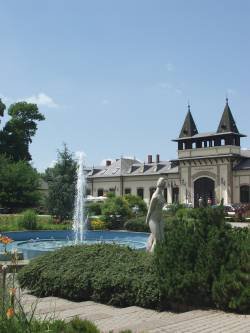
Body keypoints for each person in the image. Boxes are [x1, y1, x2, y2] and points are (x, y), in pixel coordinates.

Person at [145, 177, 166, 252]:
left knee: (162, 239)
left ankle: (159, 255)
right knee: (158, 240)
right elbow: (150, 210)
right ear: (161, 185)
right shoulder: (155, 196)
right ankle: (152, 258)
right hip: (153, 220)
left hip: (160, 219)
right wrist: (147, 220)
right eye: (164, 184)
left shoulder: (161, 195)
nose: (164, 186)